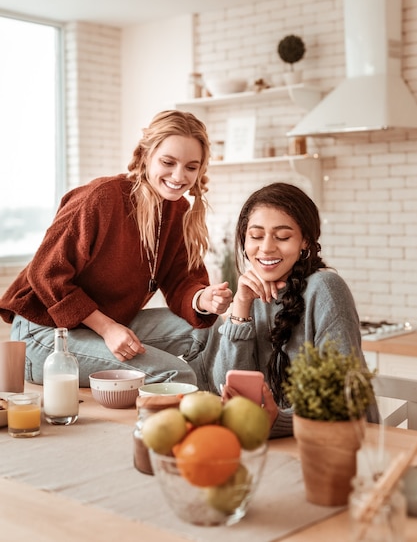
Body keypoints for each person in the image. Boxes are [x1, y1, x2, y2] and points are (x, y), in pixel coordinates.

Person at [0, 110, 233, 387]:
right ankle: (180, 426)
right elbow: (45, 273)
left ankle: (212, 414)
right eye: (168, 162)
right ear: (146, 156)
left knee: (209, 330)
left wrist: (203, 299)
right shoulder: (102, 197)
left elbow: (182, 281)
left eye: (191, 167)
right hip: (44, 334)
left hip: (97, 328)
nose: (179, 176)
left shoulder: (178, 210)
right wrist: (108, 328)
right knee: (176, 374)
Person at [189, 182, 376, 437]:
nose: (266, 248)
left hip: (338, 442)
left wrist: (279, 421)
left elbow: (346, 395)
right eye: (256, 236)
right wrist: (241, 307)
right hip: (275, 443)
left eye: (283, 236)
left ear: (305, 241)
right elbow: (228, 389)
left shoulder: (326, 289)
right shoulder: (251, 294)